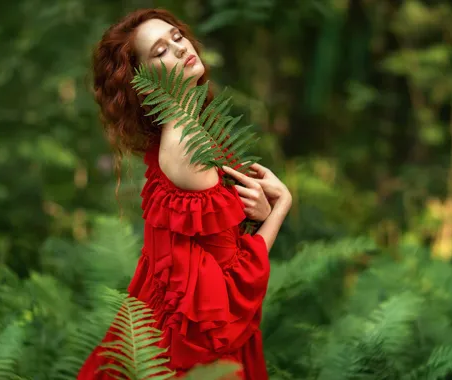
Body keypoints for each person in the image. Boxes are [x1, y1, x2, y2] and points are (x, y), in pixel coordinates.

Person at [78, 8, 292, 380]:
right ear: (141, 80)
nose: (178, 49)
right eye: (159, 51)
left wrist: (254, 211)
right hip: (194, 342)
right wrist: (280, 207)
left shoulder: (193, 125)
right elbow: (226, 288)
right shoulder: (184, 145)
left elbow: (214, 240)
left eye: (176, 37)